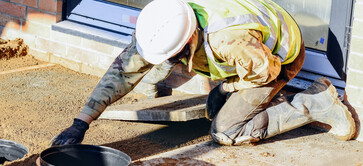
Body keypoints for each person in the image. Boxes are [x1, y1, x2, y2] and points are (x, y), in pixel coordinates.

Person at [50, 0, 355, 146]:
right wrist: (82, 122)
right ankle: (251, 99)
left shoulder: (226, 40)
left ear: (191, 40)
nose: (168, 61)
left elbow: (267, 71)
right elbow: (123, 72)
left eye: (175, 55)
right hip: (245, 48)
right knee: (156, 72)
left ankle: (316, 102)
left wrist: (225, 89)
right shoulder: (168, 20)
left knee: (226, 130)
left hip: (278, 56)